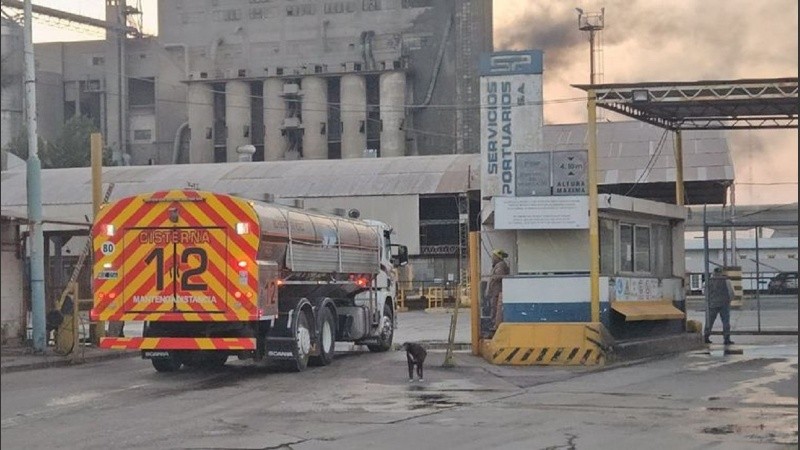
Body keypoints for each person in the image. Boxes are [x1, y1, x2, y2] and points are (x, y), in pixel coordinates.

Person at [704, 267, 735, 345]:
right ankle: (726, 338)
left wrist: (709, 300)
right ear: (721, 272)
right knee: (725, 322)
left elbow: (704, 292)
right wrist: (729, 300)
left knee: (709, 321)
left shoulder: (708, 281)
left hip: (712, 303)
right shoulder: (726, 281)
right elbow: (731, 292)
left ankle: (706, 337)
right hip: (724, 303)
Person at [486, 249, 510, 331]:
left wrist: (494, 277)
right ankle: (494, 324)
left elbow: (501, 276)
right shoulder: (498, 265)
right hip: (495, 291)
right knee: (494, 307)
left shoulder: (500, 265)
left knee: (495, 308)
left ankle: (495, 325)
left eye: (493, 256)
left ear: (497, 257)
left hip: (497, 291)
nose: (492, 258)